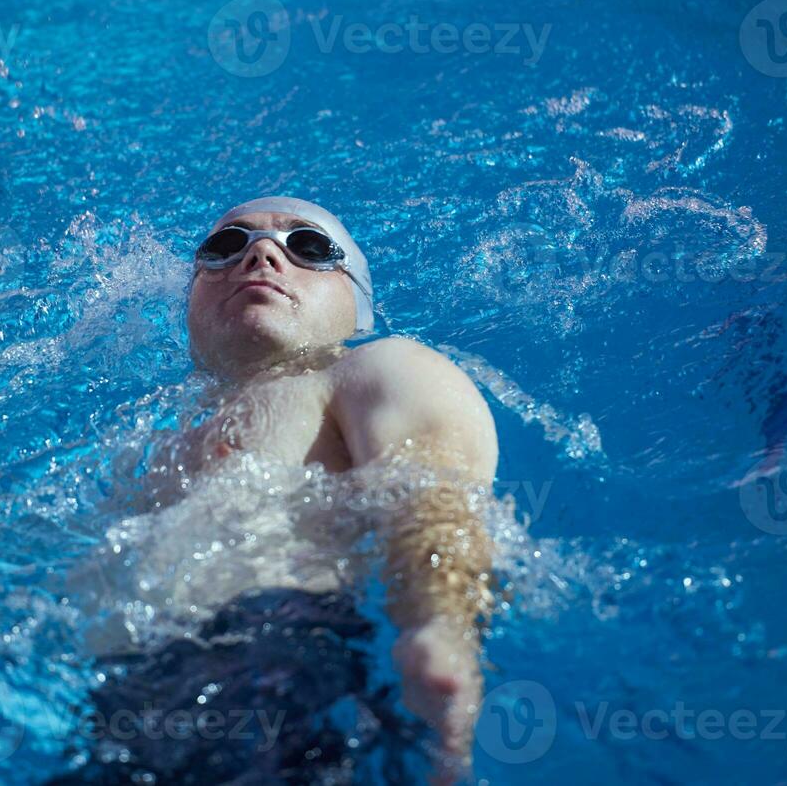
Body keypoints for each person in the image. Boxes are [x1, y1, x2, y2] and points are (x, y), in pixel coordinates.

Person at [74, 196, 499, 785]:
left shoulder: (372, 370)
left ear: (357, 304)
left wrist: (437, 624)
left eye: (309, 247)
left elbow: (431, 494)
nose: (262, 253)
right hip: (125, 688)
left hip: (272, 656)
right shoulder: (155, 439)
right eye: (225, 247)